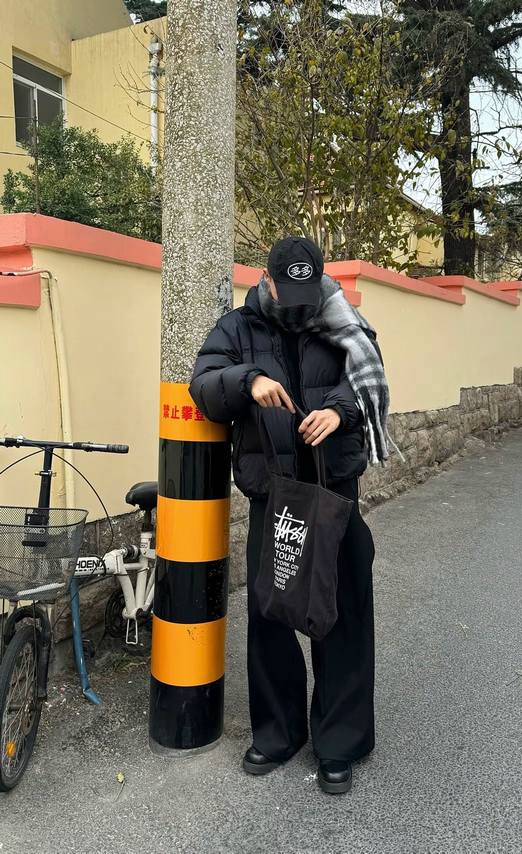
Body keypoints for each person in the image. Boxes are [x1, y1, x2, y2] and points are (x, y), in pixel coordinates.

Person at [189, 236, 391, 794]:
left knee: (342, 610)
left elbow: (366, 382)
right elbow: (204, 385)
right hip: (273, 493)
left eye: (310, 293)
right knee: (272, 612)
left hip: (334, 490)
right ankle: (278, 733)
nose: (301, 306)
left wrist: (340, 411)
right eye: (289, 292)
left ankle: (340, 741)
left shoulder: (345, 322)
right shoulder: (238, 328)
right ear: (267, 282)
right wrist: (248, 381)